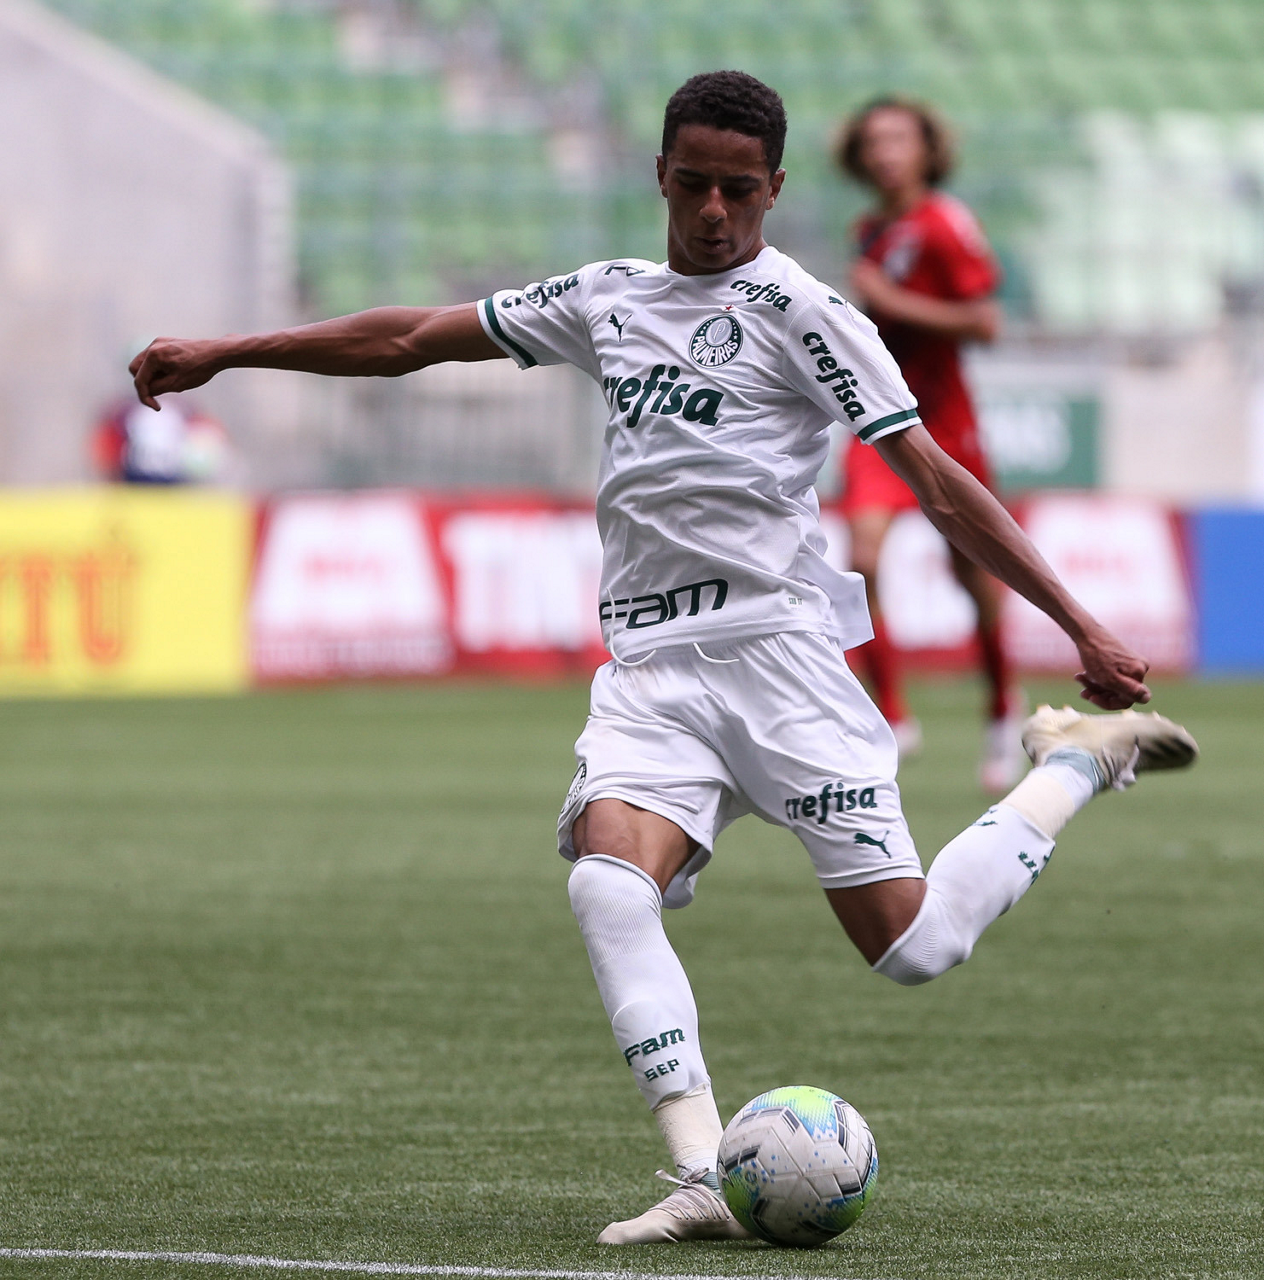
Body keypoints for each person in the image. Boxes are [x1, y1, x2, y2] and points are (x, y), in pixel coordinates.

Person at [130, 71, 1197, 1247]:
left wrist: (1079, 623)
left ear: (774, 188)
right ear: (659, 175)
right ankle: (699, 1169)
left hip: (780, 656)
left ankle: (1075, 758)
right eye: (692, 184)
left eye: (738, 189)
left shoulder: (807, 314)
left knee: (915, 946)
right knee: (605, 880)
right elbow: (407, 338)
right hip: (652, 670)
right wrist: (228, 349)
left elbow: (935, 483)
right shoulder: (607, 296)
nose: (713, 212)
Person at [834, 97, 1018, 789]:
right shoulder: (869, 229)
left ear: (927, 150)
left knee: (974, 574)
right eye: (873, 140)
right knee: (861, 559)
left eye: (899, 138)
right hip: (878, 420)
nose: (885, 152)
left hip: (944, 423)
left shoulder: (945, 223)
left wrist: (889, 300)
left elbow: (986, 323)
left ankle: (1001, 708)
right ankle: (892, 713)